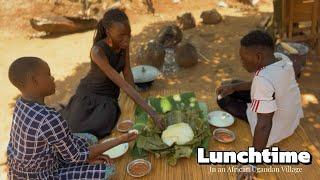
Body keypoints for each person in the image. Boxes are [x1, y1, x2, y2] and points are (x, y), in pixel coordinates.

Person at [7, 57, 138, 179]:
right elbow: (76, 156)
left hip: (21, 170)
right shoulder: (49, 118)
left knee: (89, 138)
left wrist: (86, 158)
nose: (52, 78)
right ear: (34, 80)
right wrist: (121, 139)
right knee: (109, 169)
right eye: (48, 74)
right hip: (43, 175)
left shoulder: (21, 103)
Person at [60, 9, 163, 139]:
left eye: (128, 34)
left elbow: (126, 70)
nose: (126, 39)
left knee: (105, 124)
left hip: (108, 98)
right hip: (89, 95)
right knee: (75, 129)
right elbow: (123, 85)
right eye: (121, 35)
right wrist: (152, 112)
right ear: (108, 32)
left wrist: (134, 98)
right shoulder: (97, 51)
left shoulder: (124, 42)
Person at [216, 30, 303, 179]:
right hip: (291, 119)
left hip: (276, 127)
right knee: (232, 84)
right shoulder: (283, 59)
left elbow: (264, 124)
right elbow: (267, 82)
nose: (241, 62)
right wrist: (234, 88)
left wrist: (252, 163)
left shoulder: (262, 81)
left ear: (258, 57)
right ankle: (235, 88)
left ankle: (247, 111)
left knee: (223, 99)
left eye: (243, 59)